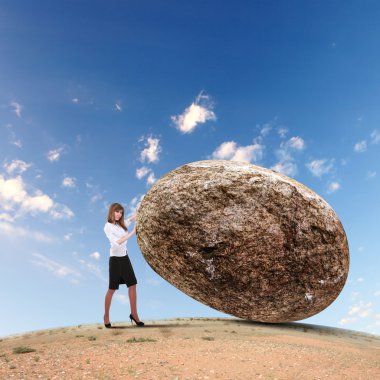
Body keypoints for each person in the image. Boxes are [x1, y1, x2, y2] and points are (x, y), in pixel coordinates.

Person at [103, 202, 144, 328]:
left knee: (132, 284)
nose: (119, 215)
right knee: (112, 288)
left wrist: (137, 214)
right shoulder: (108, 227)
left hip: (125, 258)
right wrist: (132, 233)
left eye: (121, 213)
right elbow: (117, 243)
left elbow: (131, 219)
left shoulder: (121, 225)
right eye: (117, 212)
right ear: (111, 212)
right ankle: (106, 316)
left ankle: (134, 314)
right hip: (115, 260)